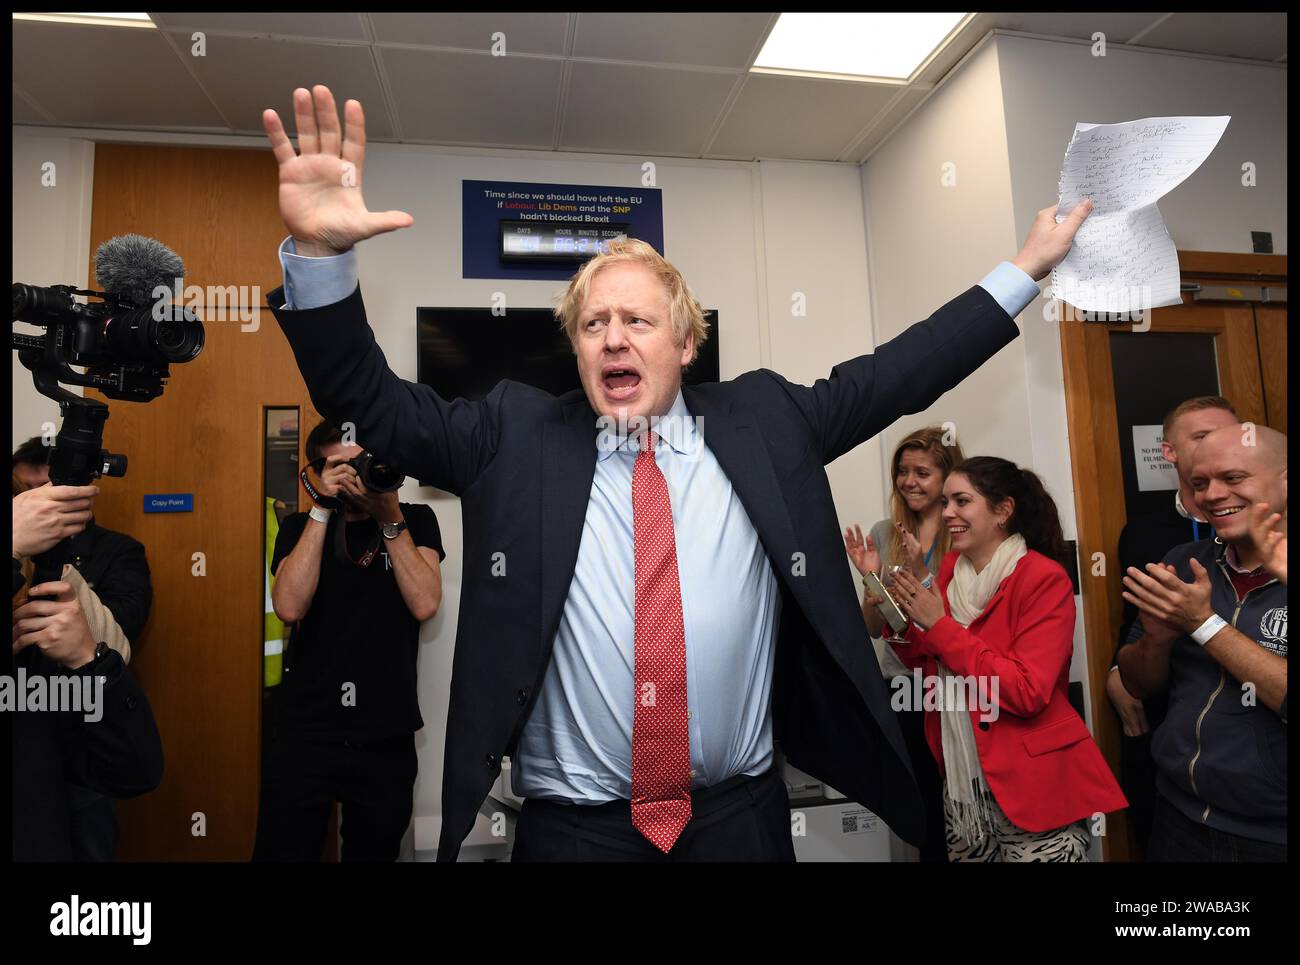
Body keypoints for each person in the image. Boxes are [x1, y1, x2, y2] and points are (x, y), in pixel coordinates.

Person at [259, 84, 1091, 861]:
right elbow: (373, 403)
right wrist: (320, 259)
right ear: (576, 348)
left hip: (738, 819)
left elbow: (900, 372)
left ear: (686, 345)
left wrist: (1025, 269)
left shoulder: (767, 420)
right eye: (592, 323)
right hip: (573, 831)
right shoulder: (513, 431)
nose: (613, 337)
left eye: (637, 320)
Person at [890, 457, 1127, 861]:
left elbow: (1026, 691)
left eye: (961, 501)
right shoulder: (949, 571)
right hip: (964, 785)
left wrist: (940, 624)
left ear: (1003, 511)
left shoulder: (1043, 578)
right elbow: (930, 665)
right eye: (946, 501)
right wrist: (900, 621)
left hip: (1032, 785)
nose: (947, 513)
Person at [252, 420, 445, 861]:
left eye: (364, 461)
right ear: (319, 470)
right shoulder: (299, 525)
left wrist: (389, 515)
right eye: (343, 465)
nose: (357, 474)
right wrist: (321, 508)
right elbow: (289, 607)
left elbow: (425, 603)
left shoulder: (415, 519)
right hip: (305, 730)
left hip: (385, 732)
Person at [1118, 424, 1287, 861]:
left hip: (1271, 836)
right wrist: (1155, 642)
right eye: (1200, 484)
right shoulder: (1184, 563)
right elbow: (1139, 685)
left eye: (1232, 479)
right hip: (1177, 815)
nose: (1211, 495)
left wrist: (1202, 624)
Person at [1103, 396, 1238, 856]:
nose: (1217, 446)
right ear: (1171, 453)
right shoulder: (1147, 535)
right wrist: (1119, 674)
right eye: (1201, 436)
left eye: (1228, 434)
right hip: (1168, 722)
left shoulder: (1270, 535)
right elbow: (1136, 623)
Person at [13, 436, 154, 860]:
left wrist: (55, 554)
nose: (41, 506)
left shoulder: (118, 551)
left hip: (84, 734)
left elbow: (115, 643)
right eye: (26, 497)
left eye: (51, 494)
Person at [844, 426, 964, 861]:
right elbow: (873, 627)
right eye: (902, 471)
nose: (909, 481)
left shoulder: (963, 531)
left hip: (958, 688)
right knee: (926, 816)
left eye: (922, 472)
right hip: (904, 691)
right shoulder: (883, 532)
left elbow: (961, 620)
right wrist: (872, 582)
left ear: (948, 478)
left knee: (966, 806)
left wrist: (920, 576)